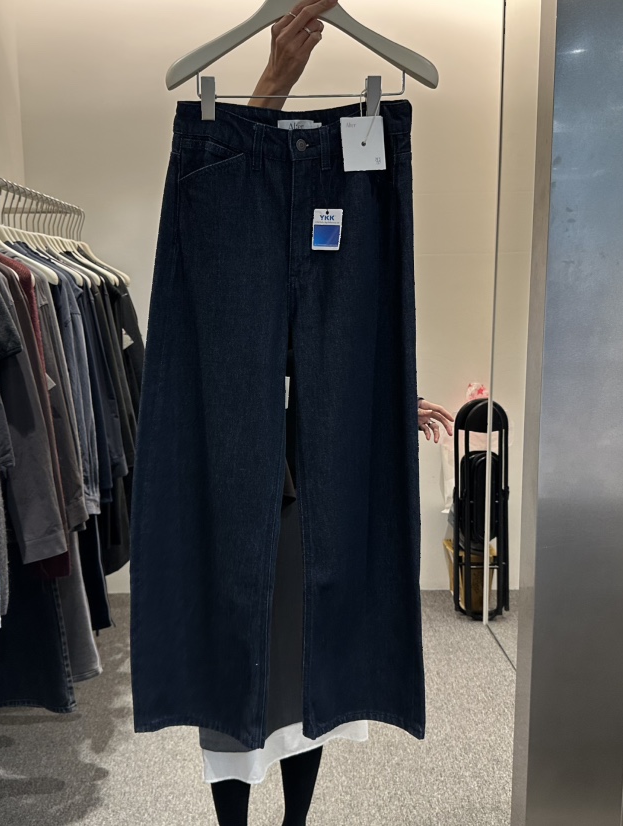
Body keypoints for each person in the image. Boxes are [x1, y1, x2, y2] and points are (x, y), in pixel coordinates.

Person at [203, 2, 455, 823]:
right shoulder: (222, 188)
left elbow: (334, 320)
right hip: (240, 464)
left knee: (305, 658)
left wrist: (376, 402)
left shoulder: (355, 186)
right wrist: (272, 82)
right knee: (235, 652)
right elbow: (241, 280)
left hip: (308, 474)